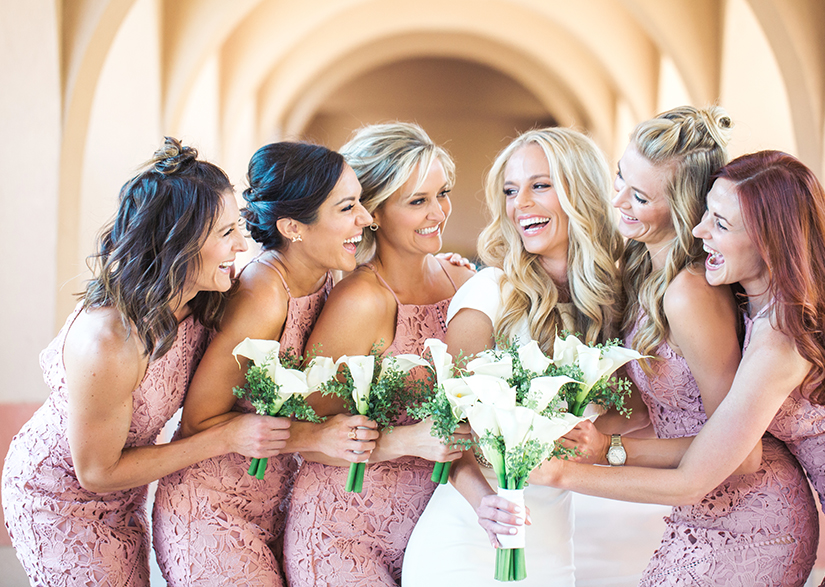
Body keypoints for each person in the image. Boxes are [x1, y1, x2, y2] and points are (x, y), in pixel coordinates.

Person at [515, 149, 825, 586]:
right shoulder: (750, 302)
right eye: (706, 212)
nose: (700, 229)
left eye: (721, 224)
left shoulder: (780, 338)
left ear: (770, 241)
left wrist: (564, 472)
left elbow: (694, 480)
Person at [1, 138, 285, 586]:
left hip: (126, 494)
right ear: (179, 240)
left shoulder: (200, 302)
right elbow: (95, 472)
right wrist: (228, 437)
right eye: (225, 233)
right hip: (59, 497)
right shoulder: (110, 342)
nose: (241, 246)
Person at [402, 127, 624, 587]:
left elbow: (641, 413)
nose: (520, 203)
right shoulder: (490, 293)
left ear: (580, 191)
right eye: (510, 190)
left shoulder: (614, 305)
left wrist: (599, 443)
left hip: (553, 545)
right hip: (469, 534)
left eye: (540, 185)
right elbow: (450, 427)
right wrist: (485, 503)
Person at [152, 141, 379, 587]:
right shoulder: (263, 294)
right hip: (212, 509)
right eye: (348, 207)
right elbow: (201, 419)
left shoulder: (329, 275)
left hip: (275, 504)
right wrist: (316, 435)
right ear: (294, 227)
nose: (366, 218)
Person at [282, 122, 474, 587]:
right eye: (417, 201)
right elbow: (308, 434)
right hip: (345, 533)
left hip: (434, 530)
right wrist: (403, 442)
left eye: (442, 193)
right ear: (374, 212)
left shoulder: (465, 283)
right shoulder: (360, 300)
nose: (439, 212)